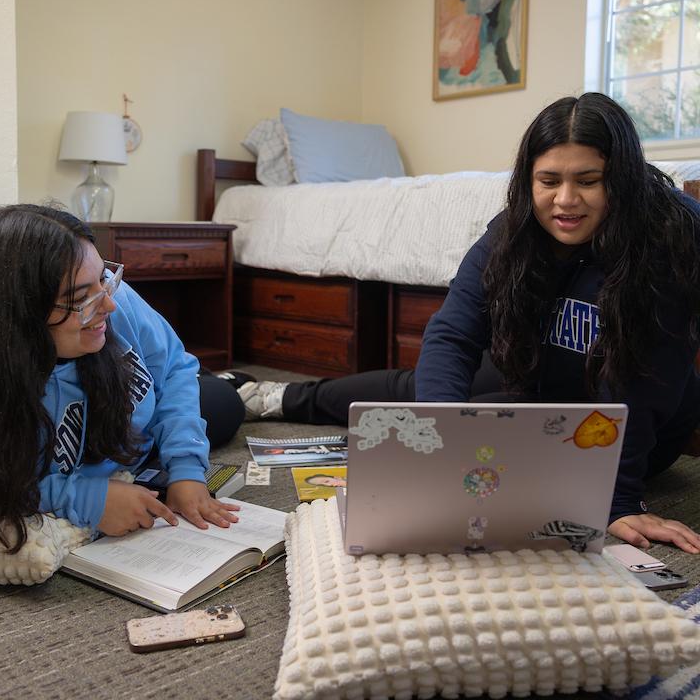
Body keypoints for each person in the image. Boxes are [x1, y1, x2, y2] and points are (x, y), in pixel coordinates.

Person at [238, 92, 700, 555]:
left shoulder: (670, 235)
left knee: (504, 452)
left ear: (621, 178)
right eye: (548, 180)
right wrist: (441, 445)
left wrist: (616, 499)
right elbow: (453, 336)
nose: (565, 200)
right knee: (423, 389)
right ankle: (279, 397)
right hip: (540, 384)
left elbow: (647, 378)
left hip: (632, 421)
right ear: (528, 180)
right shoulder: (512, 230)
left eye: (588, 180)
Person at [0, 204, 240, 553]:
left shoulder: (103, 293)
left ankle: (234, 382)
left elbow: (173, 365)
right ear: (16, 318)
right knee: (218, 400)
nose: (108, 305)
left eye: (103, 280)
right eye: (81, 299)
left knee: (225, 402)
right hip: (107, 447)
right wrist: (79, 497)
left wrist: (186, 470)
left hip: (130, 430)